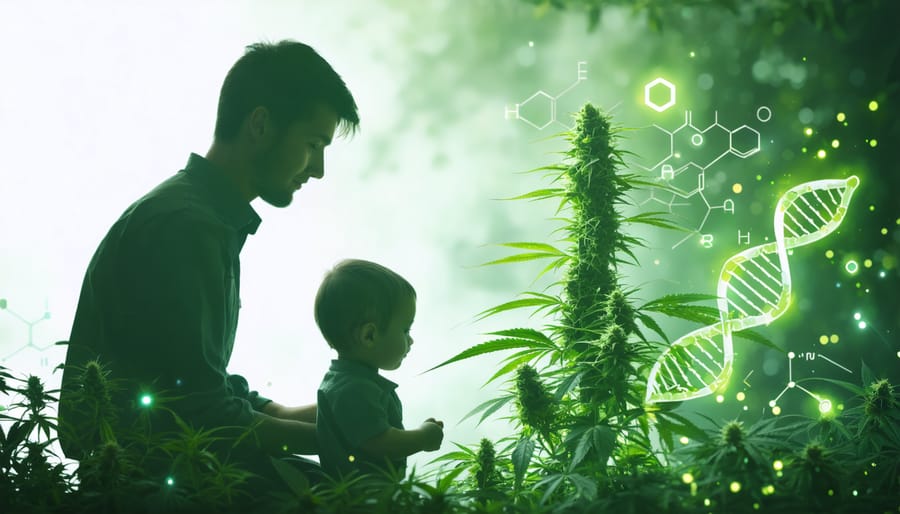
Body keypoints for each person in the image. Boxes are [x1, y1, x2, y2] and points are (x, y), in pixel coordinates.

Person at [57, 40, 360, 486]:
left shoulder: (200, 216)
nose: (318, 170)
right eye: (313, 144)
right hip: (150, 483)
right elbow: (199, 411)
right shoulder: (186, 227)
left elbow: (193, 381)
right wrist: (345, 441)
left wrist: (318, 415)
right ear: (260, 124)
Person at [313, 259, 444, 478]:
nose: (410, 340)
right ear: (369, 336)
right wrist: (422, 437)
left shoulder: (344, 381)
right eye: (405, 330)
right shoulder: (354, 390)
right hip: (362, 498)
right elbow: (380, 443)